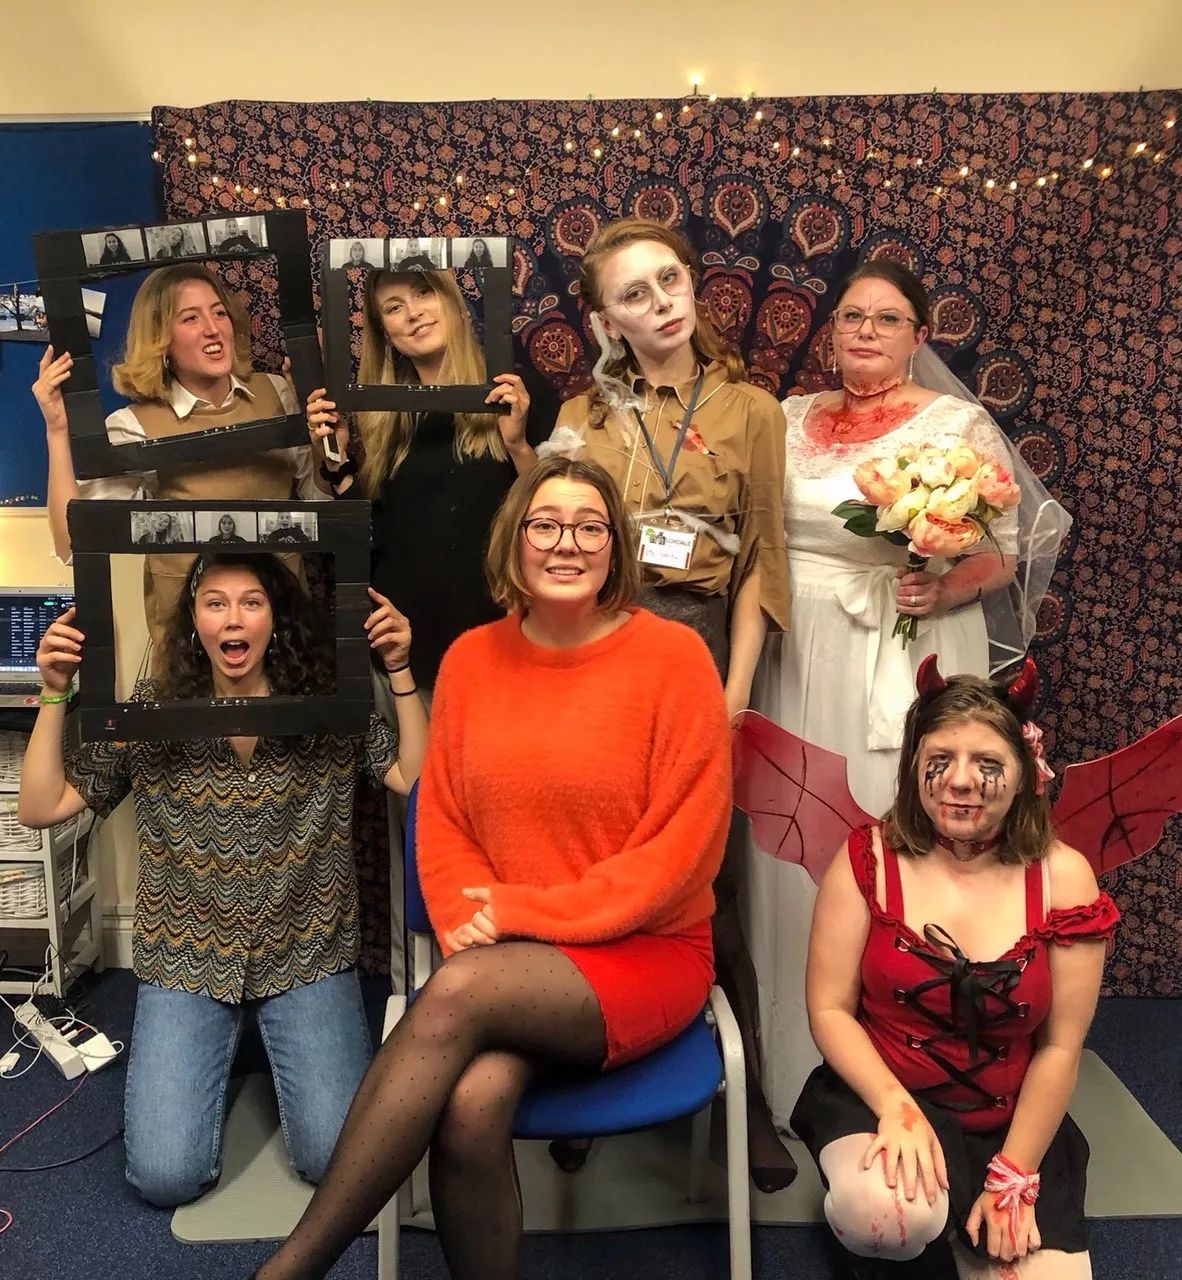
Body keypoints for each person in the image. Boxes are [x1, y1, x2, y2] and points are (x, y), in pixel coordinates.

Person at [253, 455, 732, 1280]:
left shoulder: (676, 659)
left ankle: (290, 1270)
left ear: (615, 547)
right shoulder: (472, 660)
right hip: (509, 956)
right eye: (546, 524)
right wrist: (480, 919)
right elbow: (441, 822)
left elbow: (679, 858)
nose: (567, 544)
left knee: (460, 990)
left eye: (590, 526)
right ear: (515, 542)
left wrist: (514, 915)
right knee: (471, 1107)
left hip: (643, 956)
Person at [744, 258, 1071, 1132]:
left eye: (887, 319)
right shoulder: (787, 419)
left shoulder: (956, 424)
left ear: (919, 337)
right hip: (793, 648)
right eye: (850, 315)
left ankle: (910, 1055)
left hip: (906, 638)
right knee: (795, 829)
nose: (863, 331)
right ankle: (790, 1059)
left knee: (896, 824)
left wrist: (951, 588)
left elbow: (1005, 549)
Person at [17, 552, 429, 1208]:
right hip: (188, 960)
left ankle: (264, 1039)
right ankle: (224, 1044)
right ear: (194, 621)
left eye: (251, 601)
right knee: (165, 1176)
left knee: (338, 1160)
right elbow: (42, 807)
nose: (232, 618)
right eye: (215, 602)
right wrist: (55, 691)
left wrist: (401, 675)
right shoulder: (156, 712)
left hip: (307, 953)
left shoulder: (325, 707)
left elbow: (418, 783)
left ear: (276, 618)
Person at [547, 216, 793, 1189]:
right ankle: (581, 1068)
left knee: (708, 889)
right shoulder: (585, 414)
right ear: (606, 318)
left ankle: (753, 1101)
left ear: (695, 284)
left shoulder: (750, 409)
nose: (661, 300)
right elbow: (551, 542)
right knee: (595, 876)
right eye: (635, 293)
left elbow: (764, 569)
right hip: (600, 660)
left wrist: (731, 700)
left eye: (671, 279)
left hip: (697, 656)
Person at [792, 659, 1118, 1278]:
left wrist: (1015, 1177)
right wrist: (894, 1106)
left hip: (1008, 1117)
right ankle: (902, 1217)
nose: (961, 782)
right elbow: (829, 1008)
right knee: (885, 1218)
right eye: (940, 760)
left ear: (1025, 774)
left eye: (988, 765)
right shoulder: (868, 859)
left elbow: (1061, 1048)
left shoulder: (1064, 876)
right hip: (884, 1097)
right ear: (915, 765)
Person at [33, 263, 324, 657]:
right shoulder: (133, 426)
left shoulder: (276, 393)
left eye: (219, 312)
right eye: (190, 318)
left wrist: (327, 433)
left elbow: (323, 505)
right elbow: (74, 543)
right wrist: (56, 432)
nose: (212, 328)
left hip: (285, 635)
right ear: (161, 340)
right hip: (189, 652)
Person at [307, 265, 559, 693]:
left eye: (424, 294)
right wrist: (337, 460)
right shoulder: (379, 416)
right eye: (393, 307)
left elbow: (554, 515)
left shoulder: (520, 393)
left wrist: (516, 445)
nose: (413, 313)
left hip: (501, 639)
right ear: (385, 332)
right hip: (407, 647)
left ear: (453, 302)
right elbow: (370, 537)